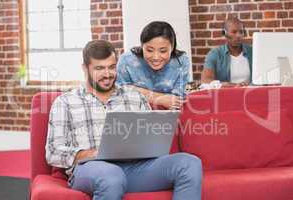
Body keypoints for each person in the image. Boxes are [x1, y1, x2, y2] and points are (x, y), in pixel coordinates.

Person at [45, 40, 202, 200]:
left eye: (111, 67)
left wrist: (155, 139)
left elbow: (151, 138)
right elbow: (53, 152)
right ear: (85, 68)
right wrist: (93, 154)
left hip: (135, 168)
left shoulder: (135, 96)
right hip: (90, 169)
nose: (107, 74)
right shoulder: (65, 102)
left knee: (189, 163)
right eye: (99, 68)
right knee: (111, 176)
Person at [117, 21, 190, 110]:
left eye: (163, 51)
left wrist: (137, 91)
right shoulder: (127, 60)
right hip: (134, 113)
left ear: (172, 47)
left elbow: (176, 101)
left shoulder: (181, 61)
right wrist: (159, 99)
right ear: (142, 46)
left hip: (169, 116)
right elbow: (120, 92)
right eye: (149, 50)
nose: (156, 57)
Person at [201, 17, 252, 87]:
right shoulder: (215, 54)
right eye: (234, 32)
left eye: (241, 32)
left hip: (250, 94)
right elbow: (205, 80)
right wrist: (226, 85)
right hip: (225, 94)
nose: (238, 35)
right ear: (224, 33)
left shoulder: (253, 52)